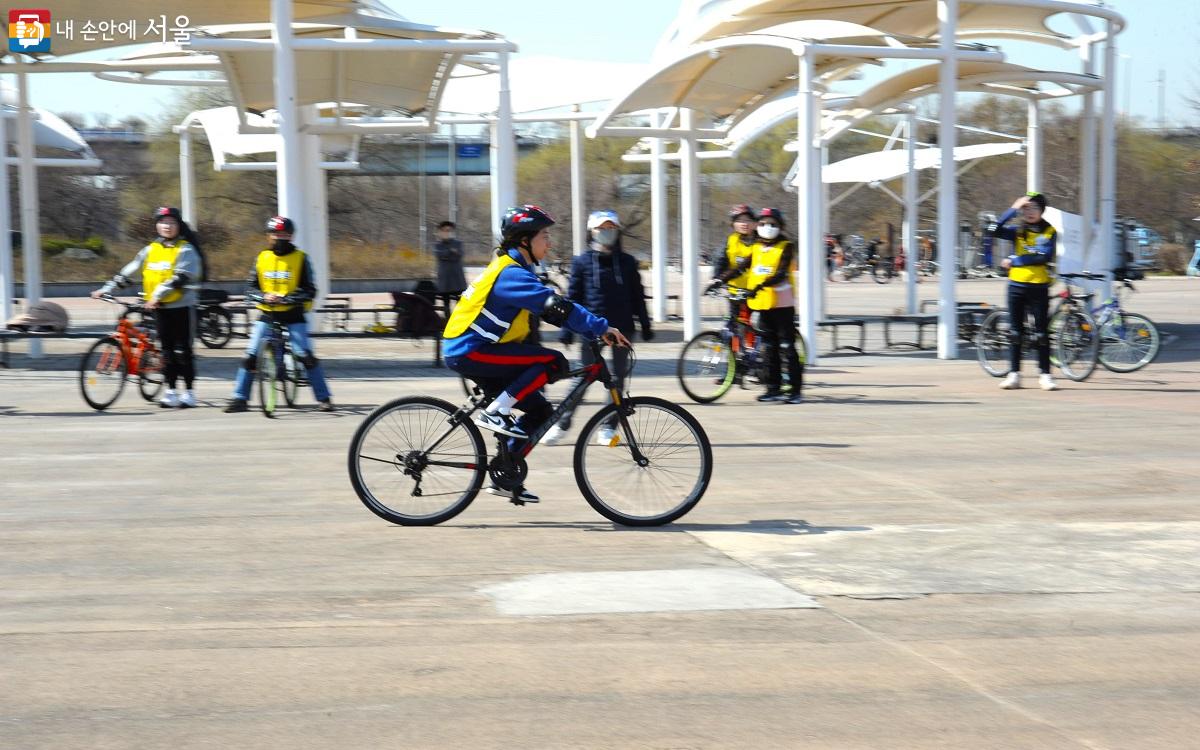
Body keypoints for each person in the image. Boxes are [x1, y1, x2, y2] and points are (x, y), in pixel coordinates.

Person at [443, 205, 629, 502]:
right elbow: (556, 306)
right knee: (550, 359)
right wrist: (600, 327)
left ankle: (506, 475)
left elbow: (551, 312)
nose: (549, 242)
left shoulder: (517, 271)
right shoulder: (511, 274)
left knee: (542, 411)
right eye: (544, 235)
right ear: (524, 240)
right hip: (470, 350)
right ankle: (496, 412)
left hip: (481, 349)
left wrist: (585, 327)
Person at [541, 210, 652, 446]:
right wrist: (567, 329)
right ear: (591, 232)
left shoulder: (627, 262)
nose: (606, 233)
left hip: (622, 329)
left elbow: (637, 295)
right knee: (582, 379)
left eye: (611, 228)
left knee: (618, 380)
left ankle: (608, 427)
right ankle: (561, 424)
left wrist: (645, 323)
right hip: (591, 330)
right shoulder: (582, 262)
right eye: (601, 229)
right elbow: (573, 297)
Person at [92, 206, 202, 408]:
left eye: (171, 223)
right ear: (157, 226)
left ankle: (188, 392)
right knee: (166, 350)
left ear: (179, 226)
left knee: (183, 351)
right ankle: (170, 391)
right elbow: (131, 270)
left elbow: (179, 278)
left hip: (181, 307)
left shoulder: (186, 249)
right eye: (162, 222)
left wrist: (157, 296)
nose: (166, 226)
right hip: (159, 307)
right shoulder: (151, 249)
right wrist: (107, 288)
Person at [223, 216, 335, 412]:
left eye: (283, 234)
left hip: (293, 314)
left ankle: (324, 398)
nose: (279, 238)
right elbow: (250, 288)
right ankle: (239, 398)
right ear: (268, 236)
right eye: (275, 234)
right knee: (250, 356)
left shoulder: (301, 258)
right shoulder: (261, 258)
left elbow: (310, 290)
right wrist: (262, 296)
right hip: (268, 314)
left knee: (305, 355)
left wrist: (287, 298)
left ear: (291, 236)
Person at [986, 192, 1058, 391]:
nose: (1030, 212)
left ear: (1042, 211)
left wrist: (1015, 260)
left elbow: (1043, 257)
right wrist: (1012, 208)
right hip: (1016, 287)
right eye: (1026, 208)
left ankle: (1045, 375)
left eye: (1034, 208)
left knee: (1042, 333)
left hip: (1039, 287)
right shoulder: (1017, 230)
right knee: (1016, 332)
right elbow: (992, 230)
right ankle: (1014, 374)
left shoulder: (1049, 231)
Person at [746, 208, 804, 404]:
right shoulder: (756, 248)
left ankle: (795, 391)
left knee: (787, 346)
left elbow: (780, 274)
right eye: (762, 224)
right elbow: (742, 267)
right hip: (764, 304)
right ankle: (773, 388)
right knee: (769, 348)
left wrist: (760, 286)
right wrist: (720, 279)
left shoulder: (786, 247)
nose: (767, 228)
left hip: (783, 305)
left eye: (772, 224)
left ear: (780, 227)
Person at [711, 204, 758, 317]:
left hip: (757, 293)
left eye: (748, 220)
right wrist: (716, 279)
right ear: (733, 224)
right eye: (739, 220)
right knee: (734, 324)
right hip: (736, 291)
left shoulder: (762, 242)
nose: (744, 224)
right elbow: (720, 261)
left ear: (754, 223)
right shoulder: (730, 241)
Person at [433, 220, 467, 314]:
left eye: (449, 230)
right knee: (446, 304)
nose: (446, 233)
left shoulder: (458, 243)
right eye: (444, 230)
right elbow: (440, 255)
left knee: (460, 303)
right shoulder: (437, 245)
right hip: (445, 280)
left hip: (457, 279)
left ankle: (458, 322)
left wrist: (449, 254)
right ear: (440, 232)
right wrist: (451, 251)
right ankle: (448, 323)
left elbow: (459, 255)